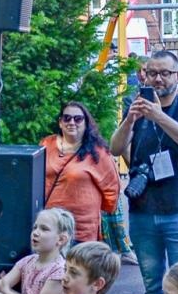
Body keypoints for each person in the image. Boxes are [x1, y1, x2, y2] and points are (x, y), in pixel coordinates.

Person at [111, 53, 178, 294]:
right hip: (143, 211)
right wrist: (131, 119)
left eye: (165, 73)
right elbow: (116, 148)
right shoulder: (137, 108)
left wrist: (158, 116)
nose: (158, 78)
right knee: (154, 286)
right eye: (152, 73)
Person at [42, 99, 120, 244]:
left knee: (77, 266)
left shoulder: (98, 152)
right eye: (67, 118)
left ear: (86, 123)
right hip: (50, 226)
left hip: (81, 230)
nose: (72, 122)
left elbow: (112, 189)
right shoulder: (47, 144)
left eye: (78, 119)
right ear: (60, 122)